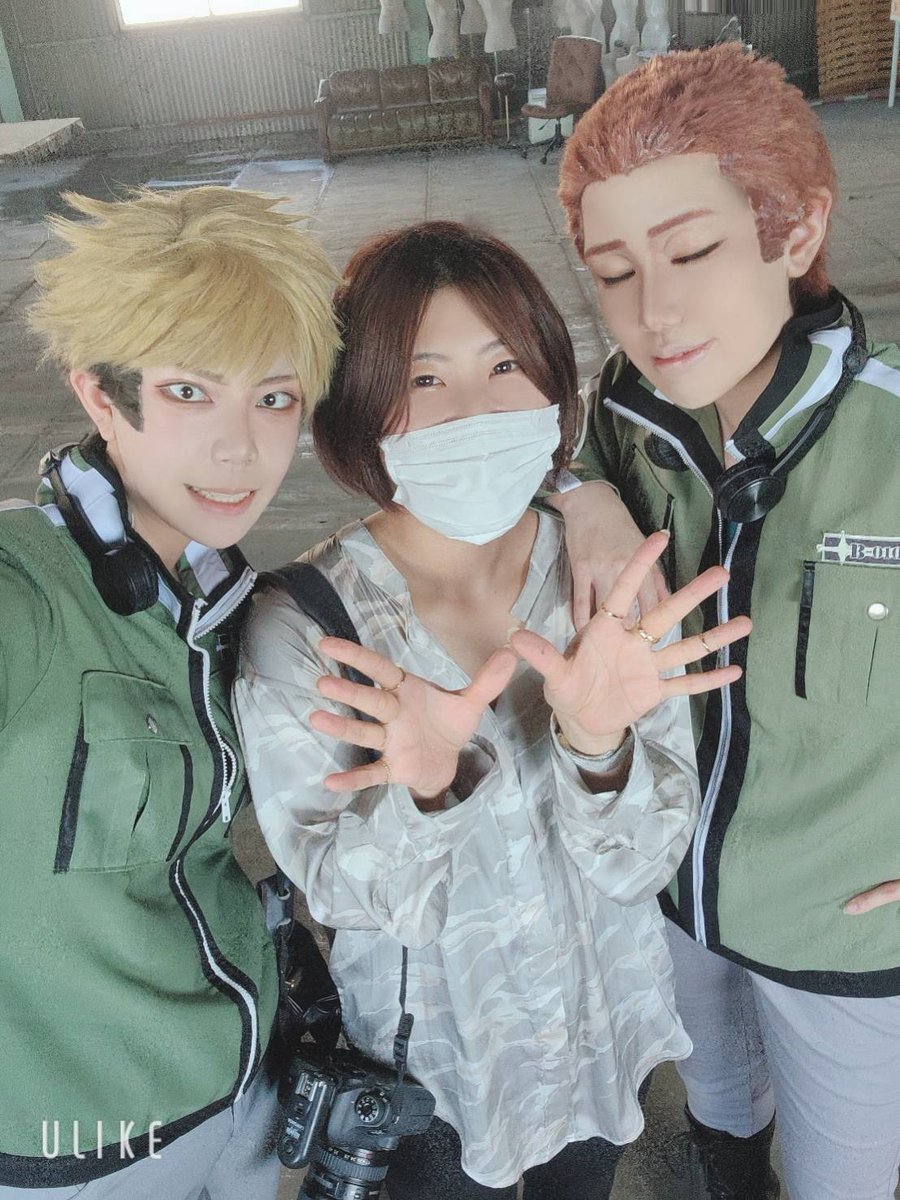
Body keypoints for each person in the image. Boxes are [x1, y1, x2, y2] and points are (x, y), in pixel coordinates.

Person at [232, 220, 751, 1200]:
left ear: (553, 378)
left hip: (598, 1034)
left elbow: (644, 863)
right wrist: (429, 794)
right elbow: (345, 896)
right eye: (424, 377)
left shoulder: (607, 579)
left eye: (506, 363)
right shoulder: (306, 630)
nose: (475, 408)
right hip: (436, 1070)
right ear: (361, 405)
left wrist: (597, 746)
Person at [552, 42, 900, 1200]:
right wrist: (581, 495)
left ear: (796, 232)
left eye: (693, 251)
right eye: (613, 272)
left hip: (843, 935)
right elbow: (533, 446)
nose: (653, 312)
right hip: (673, 894)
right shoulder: (624, 416)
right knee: (717, 1102)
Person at [0, 186, 339, 1199]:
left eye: (273, 398)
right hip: (81, 1150)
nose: (241, 448)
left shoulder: (225, 594)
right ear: (102, 398)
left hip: (249, 1093)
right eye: (191, 390)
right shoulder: (28, 590)